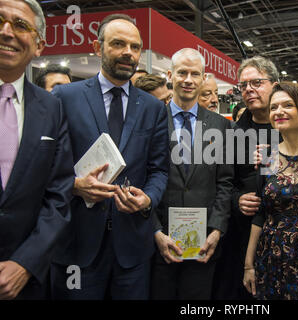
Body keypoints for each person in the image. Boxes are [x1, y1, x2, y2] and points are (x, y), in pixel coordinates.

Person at [50, 13, 169, 300]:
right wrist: (74, 185)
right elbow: (45, 165)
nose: (128, 52)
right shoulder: (65, 97)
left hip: (132, 248)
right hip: (76, 243)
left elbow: (160, 169)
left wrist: (148, 198)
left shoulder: (152, 108)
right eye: (118, 44)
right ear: (97, 47)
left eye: (135, 46)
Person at [0, 0, 74, 299]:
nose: (7, 32)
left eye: (21, 25)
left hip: (26, 281)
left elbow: (59, 192)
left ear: (39, 45)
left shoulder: (51, 108)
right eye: (0, 20)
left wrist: (25, 262)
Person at [150, 48, 233, 300]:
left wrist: (216, 230)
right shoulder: (151, 119)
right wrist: (155, 231)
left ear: (203, 77)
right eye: (182, 72)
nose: (188, 79)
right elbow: (144, 178)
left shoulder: (220, 125)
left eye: (194, 74)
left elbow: (225, 182)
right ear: (169, 75)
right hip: (160, 242)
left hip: (204, 244)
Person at [243, 82, 298, 299]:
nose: (278, 111)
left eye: (287, 105)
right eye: (274, 107)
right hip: (272, 255)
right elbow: (261, 213)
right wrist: (248, 265)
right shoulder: (267, 157)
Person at [212, 56, 280, 300]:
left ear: (275, 84)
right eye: (243, 85)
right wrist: (237, 199)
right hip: (242, 234)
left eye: (257, 82)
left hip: (284, 233)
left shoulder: (292, 129)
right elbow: (220, 184)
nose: (249, 89)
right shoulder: (232, 135)